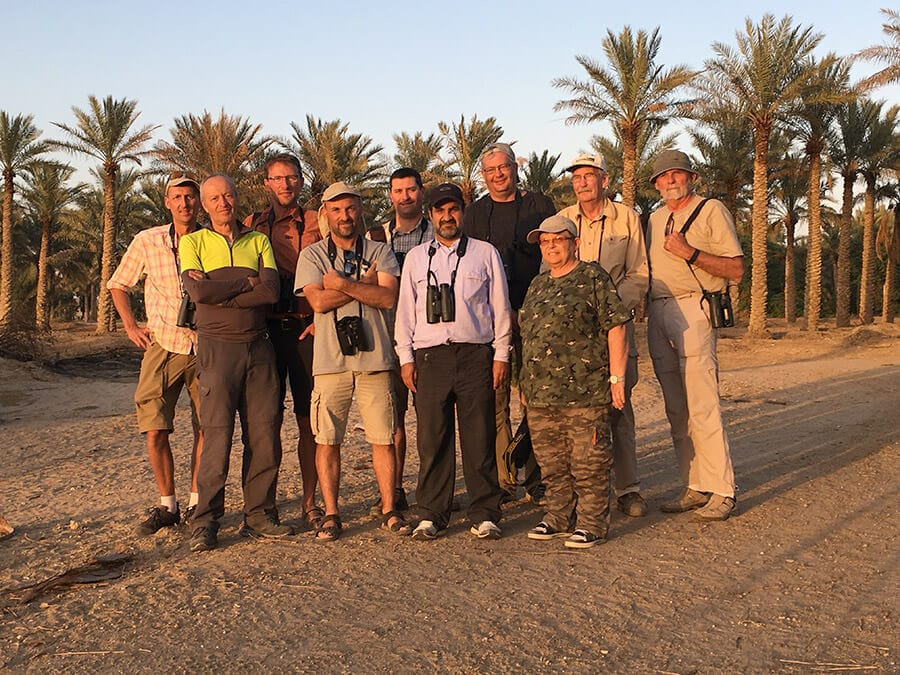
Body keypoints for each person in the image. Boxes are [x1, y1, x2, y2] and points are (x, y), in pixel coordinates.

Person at [179, 174, 293, 552]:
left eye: (228, 195)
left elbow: (271, 291)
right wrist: (246, 283)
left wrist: (222, 292)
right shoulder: (193, 241)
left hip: (259, 348)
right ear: (204, 204)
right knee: (217, 436)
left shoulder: (258, 240)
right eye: (214, 198)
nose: (223, 203)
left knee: (264, 434)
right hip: (216, 351)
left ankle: (260, 514)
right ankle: (206, 521)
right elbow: (198, 292)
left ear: (237, 197)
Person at [395, 182, 512, 541]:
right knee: (432, 439)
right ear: (430, 215)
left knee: (479, 436)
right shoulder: (417, 258)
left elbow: (501, 308)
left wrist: (501, 355)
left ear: (463, 212)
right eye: (440, 211)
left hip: (476, 355)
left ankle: (485, 512)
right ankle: (431, 513)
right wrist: (405, 357)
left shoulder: (484, 253)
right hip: (430, 358)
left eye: (454, 209)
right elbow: (405, 313)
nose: (447, 217)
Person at [295, 181, 410, 541]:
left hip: (375, 357)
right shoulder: (311, 255)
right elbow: (316, 303)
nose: (345, 216)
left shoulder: (380, 250)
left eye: (350, 209)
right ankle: (331, 513)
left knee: (383, 438)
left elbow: (389, 298)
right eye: (337, 210)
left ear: (360, 210)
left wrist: (340, 284)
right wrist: (363, 285)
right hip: (330, 362)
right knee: (327, 439)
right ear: (326, 215)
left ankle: (390, 507)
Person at [520, 215, 630, 548]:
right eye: (545, 242)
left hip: (585, 392)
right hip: (541, 394)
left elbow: (617, 326)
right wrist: (524, 384)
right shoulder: (538, 284)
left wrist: (617, 378)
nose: (551, 247)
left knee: (589, 463)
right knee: (552, 464)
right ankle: (558, 517)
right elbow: (527, 335)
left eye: (558, 240)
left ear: (575, 243)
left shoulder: (592, 277)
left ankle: (592, 523)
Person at [646, 149, 744, 521]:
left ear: (692, 177)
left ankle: (723, 489)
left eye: (677, 174)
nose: (670, 180)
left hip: (694, 306)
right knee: (676, 408)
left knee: (703, 403)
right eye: (663, 176)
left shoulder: (711, 210)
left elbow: (735, 269)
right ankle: (694, 484)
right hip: (658, 310)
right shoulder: (654, 219)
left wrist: (690, 253)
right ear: (655, 184)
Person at [108, 172, 203, 535]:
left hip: (206, 344)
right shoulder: (147, 241)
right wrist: (131, 326)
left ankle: (197, 503)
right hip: (162, 343)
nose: (184, 203)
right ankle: (168, 505)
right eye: (177, 197)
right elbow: (118, 283)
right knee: (154, 427)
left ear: (198, 202)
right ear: (167, 202)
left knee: (205, 426)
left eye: (190, 197)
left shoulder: (211, 240)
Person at [557, 153, 650, 518]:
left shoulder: (626, 219)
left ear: (604, 180)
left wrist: (608, 306)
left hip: (615, 329)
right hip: (573, 336)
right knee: (574, 416)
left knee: (619, 410)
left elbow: (639, 272)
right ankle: (580, 492)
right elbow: (551, 270)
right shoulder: (563, 220)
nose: (581, 182)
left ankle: (628, 489)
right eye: (576, 177)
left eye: (588, 176)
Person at [463, 142, 555, 502]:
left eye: (503, 167)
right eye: (490, 171)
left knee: (536, 398)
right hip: (491, 320)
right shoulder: (474, 213)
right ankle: (503, 481)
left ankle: (537, 476)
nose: (498, 175)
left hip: (536, 316)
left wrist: (528, 310)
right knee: (495, 399)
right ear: (482, 176)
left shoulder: (539, 205)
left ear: (515, 168)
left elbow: (552, 254)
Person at [244, 153, 323, 530]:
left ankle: (310, 504)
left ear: (301, 181)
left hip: (307, 328)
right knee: (266, 421)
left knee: (310, 422)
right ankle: (265, 507)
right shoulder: (250, 226)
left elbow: (335, 268)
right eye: (277, 179)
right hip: (266, 332)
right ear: (267, 184)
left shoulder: (318, 222)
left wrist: (322, 319)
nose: (285, 185)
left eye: (291, 178)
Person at [365, 167, 434, 513]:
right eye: (398, 190)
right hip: (387, 338)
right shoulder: (374, 237)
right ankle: (393, 488)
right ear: (390, 195)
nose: (405, 196)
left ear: (422, 192)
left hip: (430, 338)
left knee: (430, 419)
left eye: (411, 189)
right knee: (391, 420)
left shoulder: (438, 233)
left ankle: (432, 487)